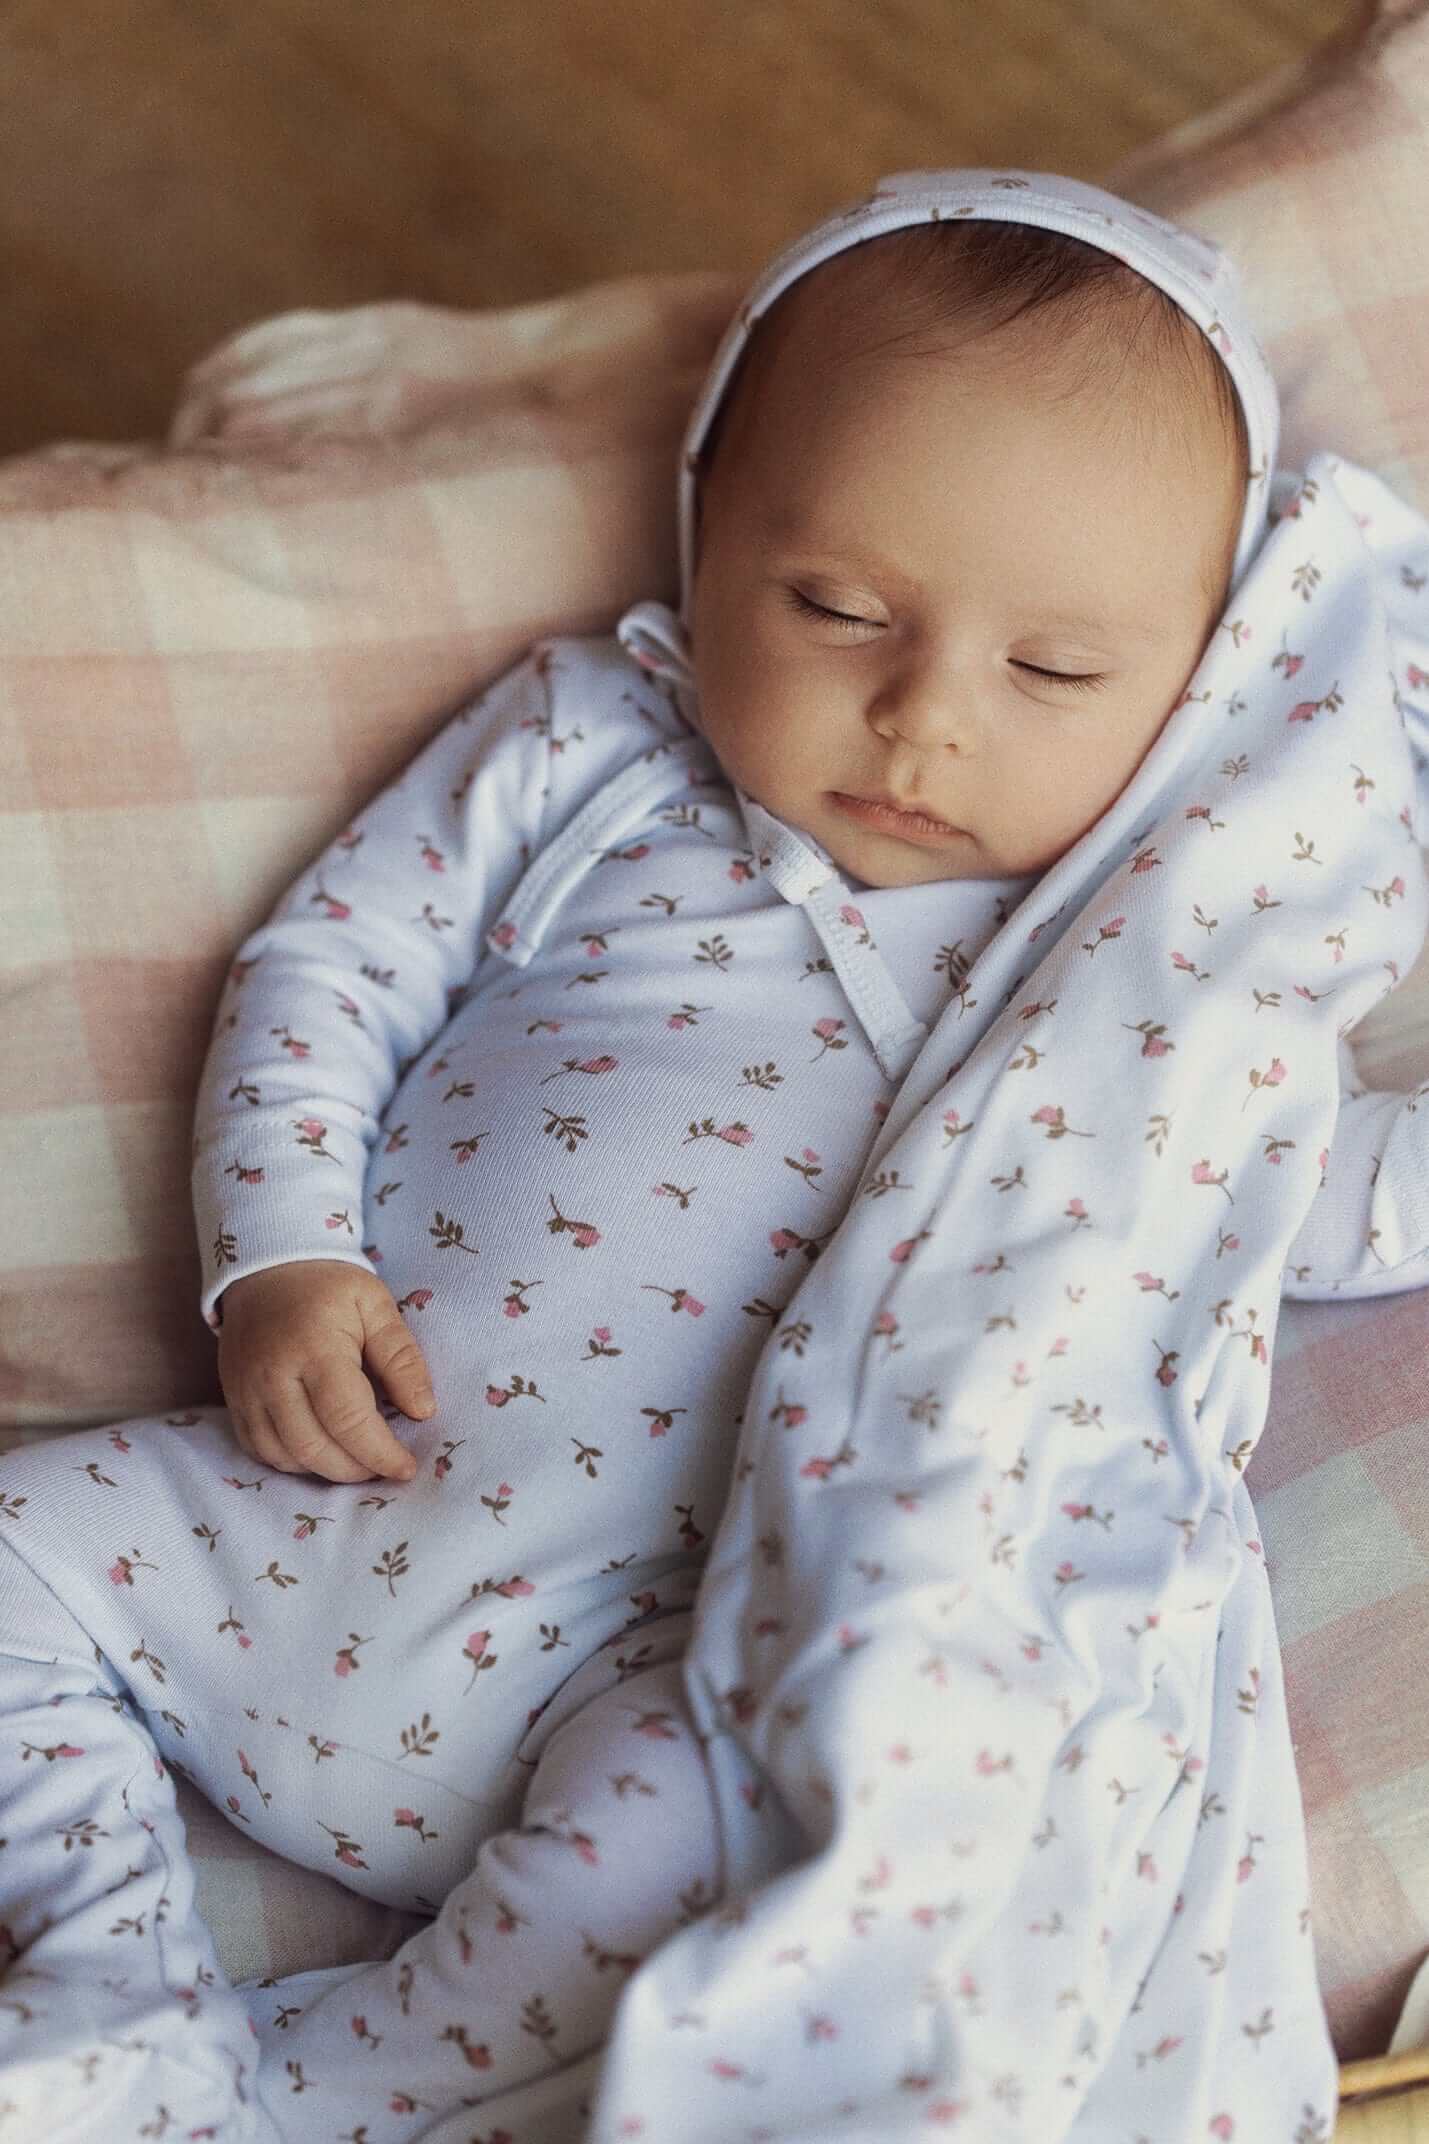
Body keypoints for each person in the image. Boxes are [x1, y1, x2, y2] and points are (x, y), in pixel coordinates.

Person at [0, 167, 1422, 2142]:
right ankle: (107, 1981)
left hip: (646, 1663)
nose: (921, 721)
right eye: (837, 608)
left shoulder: (1118, 991)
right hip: (300, 1500)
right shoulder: (590, 737)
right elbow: (330, 967)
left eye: (1053, 672)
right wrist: (283, 1257)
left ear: (1187, 684)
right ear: (704, 528)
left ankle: (289, 2093)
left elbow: (1295, 1190)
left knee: (723, 1844)